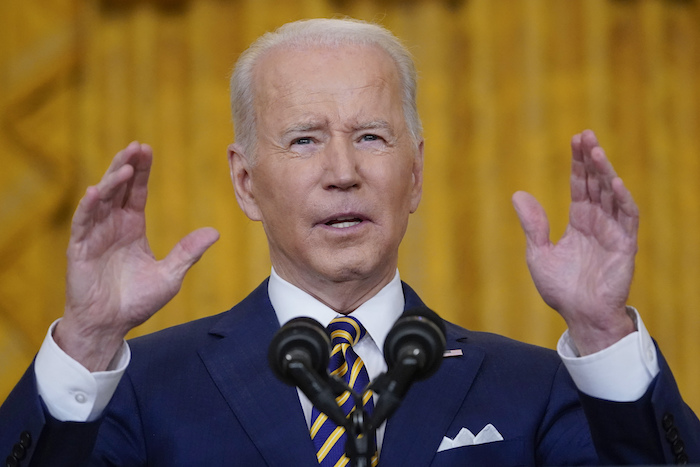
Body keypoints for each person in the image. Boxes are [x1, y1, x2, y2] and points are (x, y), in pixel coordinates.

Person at [1, 17, 698, 467]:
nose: (343, 172)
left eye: (371, 136)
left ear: (415, 173)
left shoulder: (535, 386)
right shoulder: (141, 388)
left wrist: (604, 332)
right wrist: (89, 342)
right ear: (246, 182)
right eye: (305, 140)